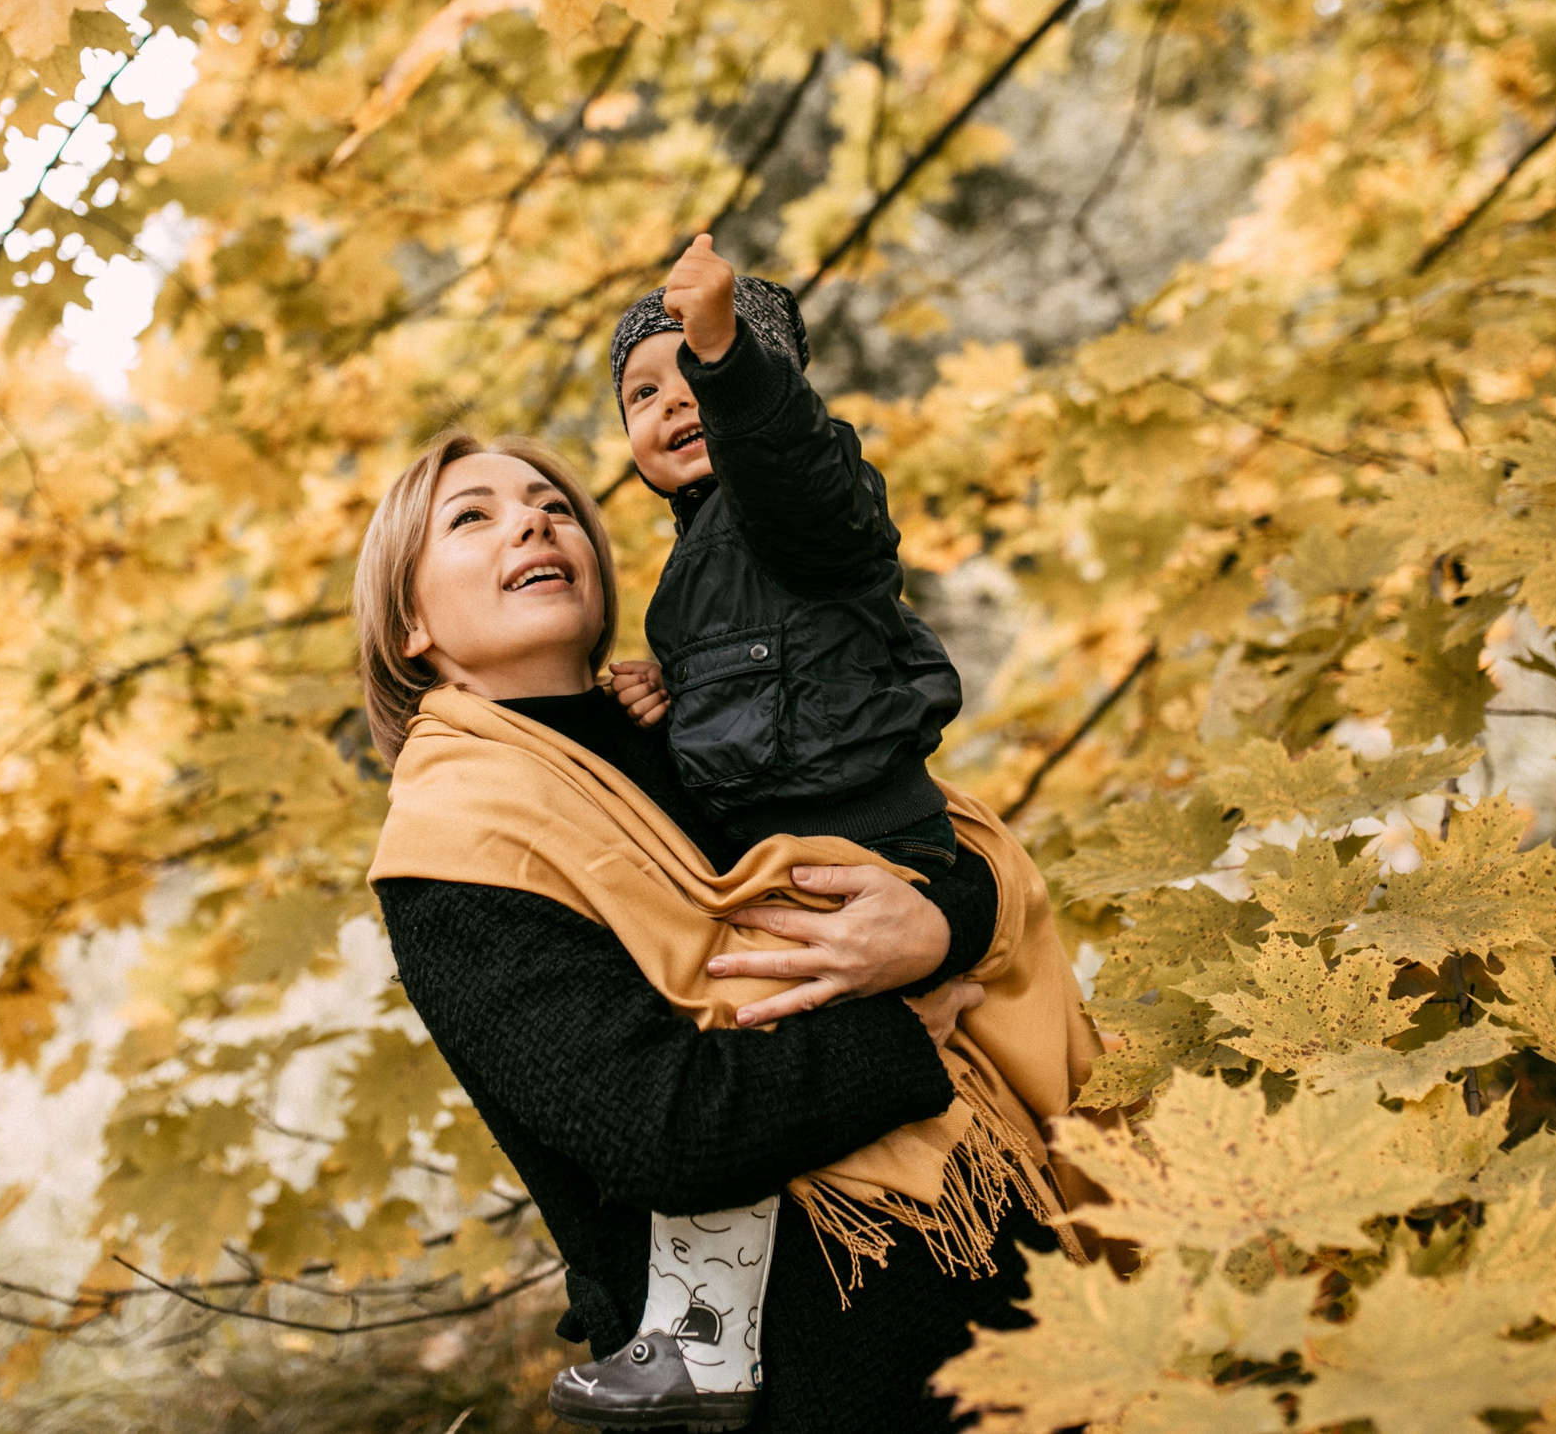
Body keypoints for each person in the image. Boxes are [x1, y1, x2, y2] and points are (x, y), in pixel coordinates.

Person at [355, 434, 1098, 1433]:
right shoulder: (455, 857)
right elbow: (667, 1132)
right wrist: (902, 1027)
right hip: (827, 1368)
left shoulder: (706, 725)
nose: (532, 520)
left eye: (553, 505)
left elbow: (931, 847)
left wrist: (930, 929)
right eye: (471, 516)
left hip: (1032, 1267)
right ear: (408, 624)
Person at [548, 236, 984, 1425]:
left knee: (737, 1038)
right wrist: (670, 693)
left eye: (694, 375)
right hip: (795, 850)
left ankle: (697, 1339)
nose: (671, 401)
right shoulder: (695, 569)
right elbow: (773, 691)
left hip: (861, 849)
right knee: (726, 1043)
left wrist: (729, 354)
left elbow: (791, 465)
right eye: (642, 394)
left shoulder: (802, 504)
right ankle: (702, 1325)